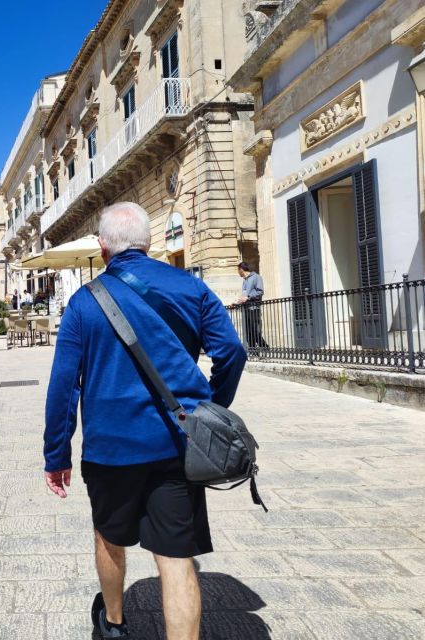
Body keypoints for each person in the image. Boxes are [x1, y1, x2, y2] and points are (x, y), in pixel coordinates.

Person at [43, 202, 246, 640]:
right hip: (177, 444)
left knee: (108, 539)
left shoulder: (83, 303)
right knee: (175, 557)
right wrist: (209, 406)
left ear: (102, 249)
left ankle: (114, 624)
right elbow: (232, 352)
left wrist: (56, 452)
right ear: (149, 243)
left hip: (110, 449)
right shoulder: (190, 288)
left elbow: (64, 385)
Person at [237, 261, 269, 350]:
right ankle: (253, 350)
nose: (238, 272)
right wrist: (238, 302)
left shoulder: (256, 277)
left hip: (254, 308)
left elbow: (260, 292)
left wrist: (248, 297)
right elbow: (244, 295)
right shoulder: (244, 281)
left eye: (238, 270)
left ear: (241, 269)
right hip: (246, 308)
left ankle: (264, 347)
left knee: (254, 330)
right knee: (248, 331)